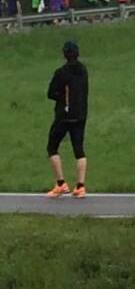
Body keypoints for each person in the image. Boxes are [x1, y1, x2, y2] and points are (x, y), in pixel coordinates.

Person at [45, 40, 88, 198]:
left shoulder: (61, 72)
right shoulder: (83, 70)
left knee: (52, 146)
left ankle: (61, 183)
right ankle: (80, 186)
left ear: (64, 54)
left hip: (64, 115)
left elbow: (51, 93)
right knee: (79, 149)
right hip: (81, 114)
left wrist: (61, 97)